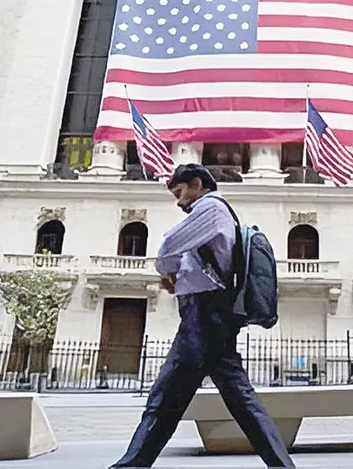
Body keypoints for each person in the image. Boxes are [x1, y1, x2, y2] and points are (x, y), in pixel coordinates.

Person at [111, 164, 295, 468]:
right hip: (207, 316)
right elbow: (186, 259)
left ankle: (131, 465)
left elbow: (168, 247)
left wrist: (167, 271)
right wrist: (174, 275)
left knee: (165, 400)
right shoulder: (213, 214)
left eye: (180, 192)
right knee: (235, 400)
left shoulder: (210, 208)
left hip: (204, 316)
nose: (179, 202)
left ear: (197, 184)